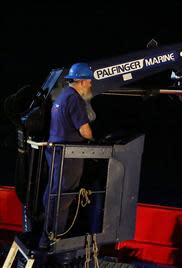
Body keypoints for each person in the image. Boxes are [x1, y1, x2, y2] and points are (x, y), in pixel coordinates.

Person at [40, 62, 94, 248]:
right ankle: (53, 240)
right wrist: (93, 138)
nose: (90, 85)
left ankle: (46, 234)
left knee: (53, 191)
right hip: (68, 155)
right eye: (88, 81)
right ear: (80, 81)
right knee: (64, 195)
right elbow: (85, 131)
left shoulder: (62, 96)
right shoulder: (75, 99)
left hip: (55, 151)